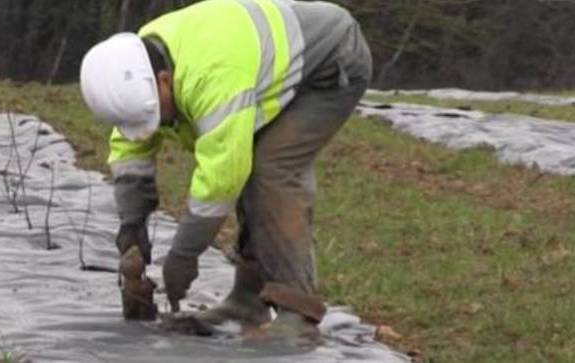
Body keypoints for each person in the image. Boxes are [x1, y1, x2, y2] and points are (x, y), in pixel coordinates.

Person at [79, 0, 371, 339]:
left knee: (271, 171)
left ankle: (299, 313)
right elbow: (131, 147)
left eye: (159, 114)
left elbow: (222, 177)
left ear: (163, 79)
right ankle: (248, 301)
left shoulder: (213, 79)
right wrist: (132, 226)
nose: (160, 124)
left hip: (330, 62)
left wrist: (183, 256)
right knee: (253, 167)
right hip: (265, 66)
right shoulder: (136, 68)